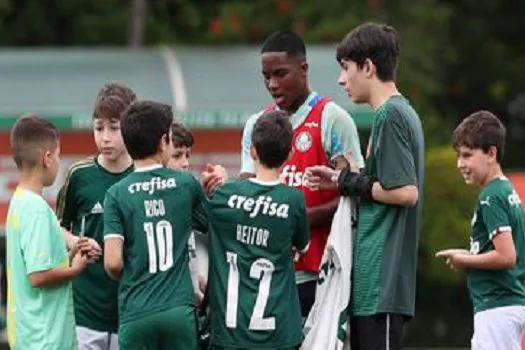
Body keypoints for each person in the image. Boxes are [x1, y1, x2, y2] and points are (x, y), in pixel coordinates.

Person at [203, 30, 363, 318]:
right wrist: (226, 188)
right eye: (266, 76)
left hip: (321, 272)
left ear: (303, 69)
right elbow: (251, 192)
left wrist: (298, 218)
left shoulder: (333, 120)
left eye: (280, 74)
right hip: (267, 272)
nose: (272, 84)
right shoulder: (257, 125)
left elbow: (355, 196)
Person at [305, 22, 425, 350]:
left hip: (382, 283)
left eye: (346, 69)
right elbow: (379, 183)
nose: (341, 80)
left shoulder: (392, 115)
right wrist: (342, 179)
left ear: (368, 67)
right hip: (373, 285)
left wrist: (349, 181)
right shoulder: (393, 114)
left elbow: (405, 192)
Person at [103, 101, 209, 350]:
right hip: (178, 309)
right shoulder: (186, 184)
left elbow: (112, 262)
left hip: (136, 311)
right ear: (163, 142)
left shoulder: (116, 194)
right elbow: (211, 224)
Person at [207, 110, 309, 349]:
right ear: (289, 155)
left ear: (252, 150)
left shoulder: (225, 194)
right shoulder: (293, 199)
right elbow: (303, 246)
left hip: (230, 332)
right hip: (278, 333)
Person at [436, 111, 525, 350]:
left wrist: (466, 260)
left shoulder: (491, 197)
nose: (460, 164)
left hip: (497, 307)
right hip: (503, 307)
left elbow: (507, 256)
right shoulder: (506, 190)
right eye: (458, 156)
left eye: (467, 155)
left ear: (491, 153)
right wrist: (468, 254)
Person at [56, 82, 136, 349]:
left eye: (114, 127)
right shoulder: (79, 175)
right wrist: (76, 243)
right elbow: (58, 226)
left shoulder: (143, 176)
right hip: (85, 313)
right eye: (99, 127)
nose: (105, 137)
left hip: (132, 312)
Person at [6, 115, 92, 349]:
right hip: (45, 338)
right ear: (47, 158)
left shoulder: (19, 200)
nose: (58, 161)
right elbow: (38, 275)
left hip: (29, 335)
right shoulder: (36, 209)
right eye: (58, 155)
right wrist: (75, 269)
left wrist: (73, 246)